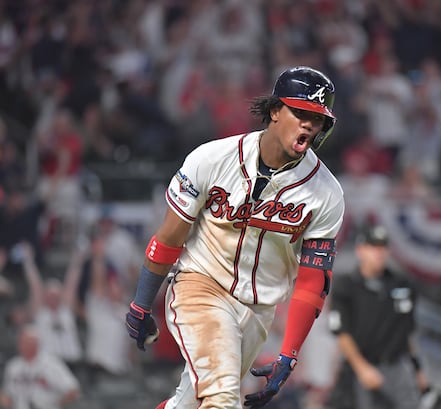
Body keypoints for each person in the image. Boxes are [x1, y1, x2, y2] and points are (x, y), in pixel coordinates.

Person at [125, 66, 345, 409]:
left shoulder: (326, 192)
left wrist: (289, 353)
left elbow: (313, 281)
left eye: (317, 119)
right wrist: (141, 301)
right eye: (300, 113)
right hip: (201, 285)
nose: (308, 124)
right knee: (224, 399)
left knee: (189, 403)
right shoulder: (212, 159)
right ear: (274, 111)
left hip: (259, 311)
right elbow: (169, 238)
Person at [326, 224, 439, 409]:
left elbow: (407, 334)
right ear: (360, 250)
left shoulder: (401, 285)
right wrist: (362, 368)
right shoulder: (347, 286)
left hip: (397, 368)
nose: (378, 253)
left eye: (383, 247)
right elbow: (341, 332)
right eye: (373, 247)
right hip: (361, 368)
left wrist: (418, 371)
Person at [0, 325, 81, 409]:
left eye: (27, 342)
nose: (22, 345)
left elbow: (73, 391)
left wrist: (55, 404)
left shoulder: (51, 363)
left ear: (36, 344)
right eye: (21, 342)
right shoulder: (13, 365)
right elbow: (6, 394)